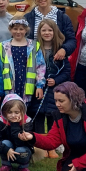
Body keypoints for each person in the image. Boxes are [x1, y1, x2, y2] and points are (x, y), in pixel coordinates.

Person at [32, 19, 70, 151]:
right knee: (39, 116)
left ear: (55, 32)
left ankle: (54, 145)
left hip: (54, 90)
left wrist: (57, 80)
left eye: (50, 30)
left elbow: (66, 72)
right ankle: (40, 145)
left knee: (54, 116)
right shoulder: (35, 49)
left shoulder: (60, 51)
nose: (47, 33)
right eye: (44, 30)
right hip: (38, 89)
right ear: (39, 32)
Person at [24, 0, 77, 64]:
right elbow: (20, 39)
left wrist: (64, 49)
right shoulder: (28, 18)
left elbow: (71, 40)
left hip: (56, 62)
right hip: (33, 63)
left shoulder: (62, 17)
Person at [0, 16, 45, 109]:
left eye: (21, 29)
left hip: (27, 85)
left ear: (26, 30)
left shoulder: (34, 46)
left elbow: (40, 67)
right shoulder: (4, 46)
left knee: (25, 112)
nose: (18, 31)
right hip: (10, 86)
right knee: (11, 110)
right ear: (10, 29)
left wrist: (40, 85)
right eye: (15, 29)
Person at [0, 94, 34, 171]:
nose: (13, 115)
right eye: (10, 112)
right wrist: (6, 149)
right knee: (5, 142)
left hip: (22, 147)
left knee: (21, 150)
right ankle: (6, 164)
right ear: (4, 112)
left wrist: (15, 124)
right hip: (8, 147)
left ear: (22, 112)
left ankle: (23, 166)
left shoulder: (27, 122)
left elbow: (21, 143)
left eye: (17, 112)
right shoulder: (1, 121)